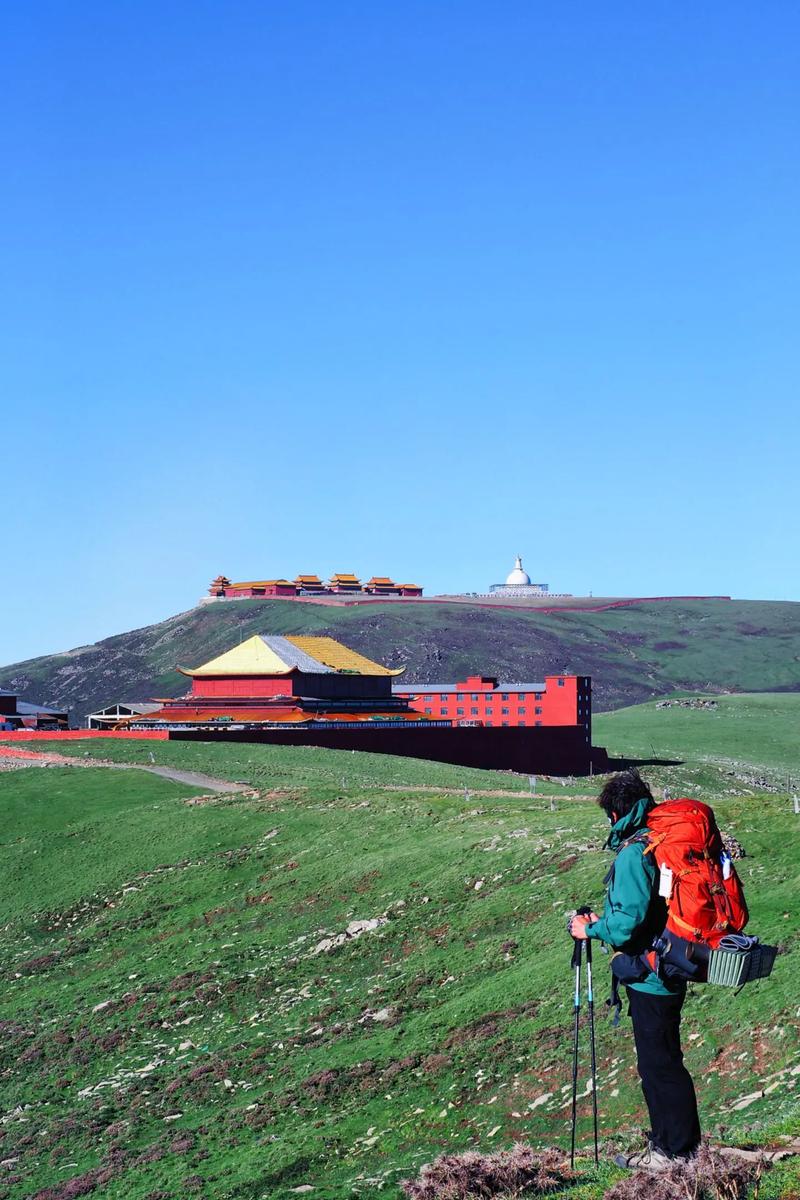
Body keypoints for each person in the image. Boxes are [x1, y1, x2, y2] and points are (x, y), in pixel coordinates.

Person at [569, 769, 701, 1171]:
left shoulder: (632, 854)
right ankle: (673, 1146)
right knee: (664, 1060)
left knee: (659, 1065)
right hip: (669, 965)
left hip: (651, 976)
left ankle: (675, 1152)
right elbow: (640, 914)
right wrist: (605, 922)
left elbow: (628, 924)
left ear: (615, 814)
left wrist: (590, 929)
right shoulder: (655, 843)